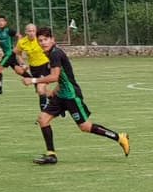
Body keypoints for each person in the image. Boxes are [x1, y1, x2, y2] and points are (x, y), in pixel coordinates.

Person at [27, 27, 130, 165]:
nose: (43, 42)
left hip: (71, 95)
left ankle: (119, 137)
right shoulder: (50, 53)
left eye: (46, 39)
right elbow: (64, 76)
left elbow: (54, 76)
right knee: (43, 119)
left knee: (85, 126)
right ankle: (51, 155)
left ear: (52, 39)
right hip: (61, 94)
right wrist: (55, 91)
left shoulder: (55, 54)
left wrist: (33, 80)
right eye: (40, 40)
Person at [0, 15, 23, 94]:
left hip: (9, 53)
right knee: (19, 71)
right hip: (7, 54)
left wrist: (18, 46)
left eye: (2, 21)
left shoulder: (9, 30)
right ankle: (34, 80)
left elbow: (19, 36)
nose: (1, 22)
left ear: (5, 22)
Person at [14, 23, 52, 99]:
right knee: (41, 91)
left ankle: (45, 110)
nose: (31, 33)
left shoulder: (40, 39)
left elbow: (50, 49)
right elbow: (18, 53)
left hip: (45, 65)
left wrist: (52, 62)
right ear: (26, 32)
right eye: (29, 31)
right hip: (33, 68)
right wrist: (22, 63)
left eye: (33, 31)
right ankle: (54, 100)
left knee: (40, 89)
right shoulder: (22, 42)